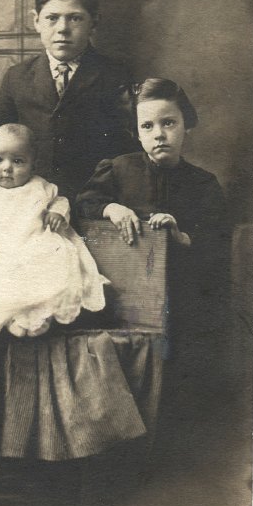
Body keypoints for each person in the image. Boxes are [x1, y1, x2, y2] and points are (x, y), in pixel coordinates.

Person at [76, 78, 231, 450]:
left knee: (182, 372)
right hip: (124, 300)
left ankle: (170, 447)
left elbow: (217, 244)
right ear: (136, 132)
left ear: (186, 124)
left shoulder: (203, 185)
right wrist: (111, 207)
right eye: (148, 126)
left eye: (169, 123)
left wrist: (180, 237)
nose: (159, 134)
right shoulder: (117, 170)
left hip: (182, 299)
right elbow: (83, 204)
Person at [0, 0, 138, 207]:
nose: (62, 29)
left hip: (95, 203)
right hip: (30, 203)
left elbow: (128, 153)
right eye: (52, 18)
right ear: (36, 20)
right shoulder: (16, 78)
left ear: (94, 22)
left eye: (75, 18)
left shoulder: (115, 75)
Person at [0, 124, 109, 337]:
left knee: (53, 267)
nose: (7, 167)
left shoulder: (40, 186)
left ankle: (41, 315)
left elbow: (60, 201)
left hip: (33, 244)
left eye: (17, 161)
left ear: (33, 165)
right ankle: (10, 319)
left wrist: (57, 213)